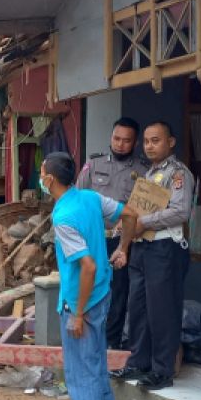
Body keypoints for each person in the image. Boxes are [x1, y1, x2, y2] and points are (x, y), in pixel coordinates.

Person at [40, 151, 139, 400]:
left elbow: (88, 266)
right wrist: (123, 248)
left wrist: (78, 314)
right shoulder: (91, 198)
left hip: (81, 299)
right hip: (102, 293)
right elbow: (132, 214)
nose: (41, 177)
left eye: (42, 173)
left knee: (81, 373)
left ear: (50, 180)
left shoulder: (63, 218)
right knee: (95, 364)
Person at [112, 121, 194, 390]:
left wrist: (145, 222)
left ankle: (162, 370)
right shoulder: (147, 174)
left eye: (155, 140)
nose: (149, 145)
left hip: (165, 247)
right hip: (142, 247)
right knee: (138, 308)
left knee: (162, 310)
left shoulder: (179, 173)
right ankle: (138, 362)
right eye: (146, 141)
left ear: (170, 142)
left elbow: (181, 211)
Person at [76, 117, 150, 351]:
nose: (120, 144)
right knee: (90, 288)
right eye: (116, 139)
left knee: (118, 292)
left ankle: (111, 342)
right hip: (93, 240)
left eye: (126, 141)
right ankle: (87, 338)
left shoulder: (143, 172)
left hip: (123, 242)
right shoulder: (94, 165)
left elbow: (145, 209)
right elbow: (78, 199)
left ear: (135, 143)